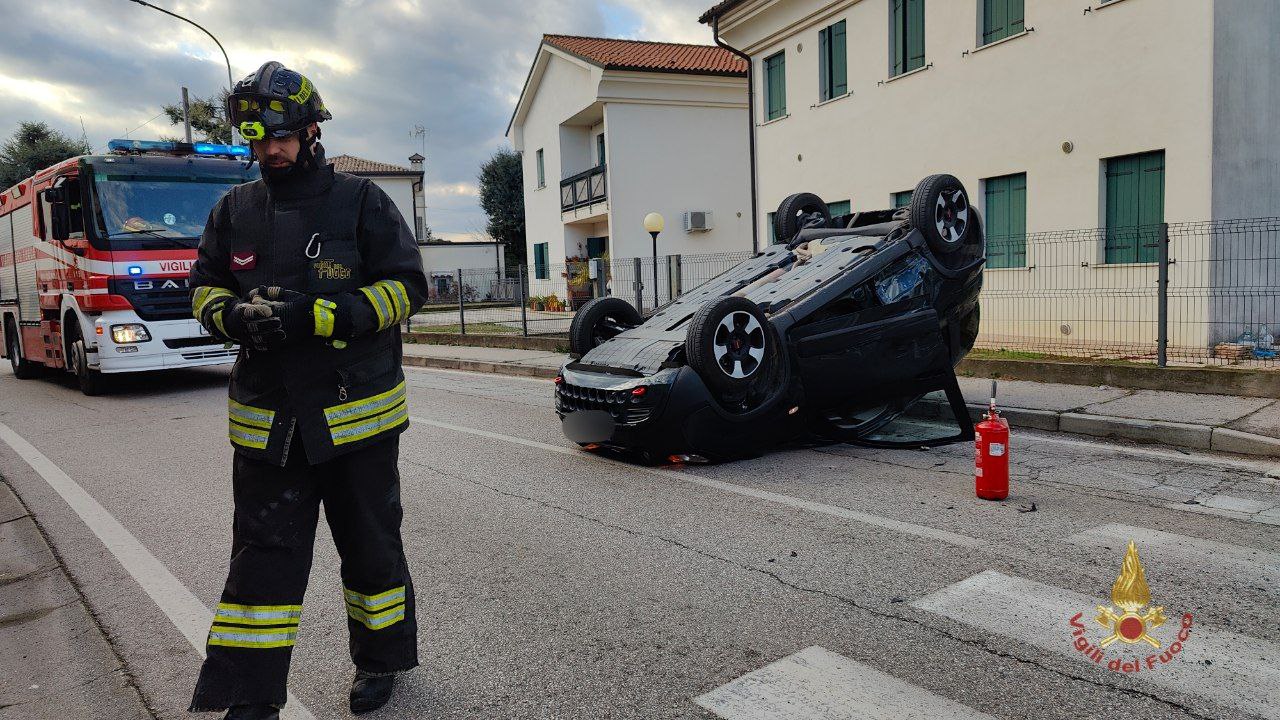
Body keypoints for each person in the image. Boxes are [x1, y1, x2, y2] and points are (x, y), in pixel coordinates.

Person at [187, 61, 428, 719]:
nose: (270, 150)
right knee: (263, 560)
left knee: (372, 550)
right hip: (271, 422)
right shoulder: (234, 210)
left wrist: (320, 316)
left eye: (282, 137)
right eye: (259, 139)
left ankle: (381, 664)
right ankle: (249, 692)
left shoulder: (361, 202)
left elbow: (407, 287)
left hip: (356, 419)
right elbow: (203, 288)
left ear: (312, 129)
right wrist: (231, 316)